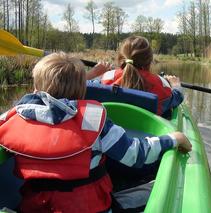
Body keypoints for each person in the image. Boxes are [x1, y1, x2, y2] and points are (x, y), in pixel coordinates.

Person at [0, 52, 192, 213]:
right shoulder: (93, 121)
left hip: (36, 208)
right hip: (91, 208)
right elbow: (135, 154)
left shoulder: (12, 116)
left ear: (36, 87)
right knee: (152, 190)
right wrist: (171, 139)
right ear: (83, 91)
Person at [97, 36, 184, 116]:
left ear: (120, 59)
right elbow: (177, 98)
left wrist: (101, 74)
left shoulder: (104, 79)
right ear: (149, 62)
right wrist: (176, 86)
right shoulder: (160, 84)